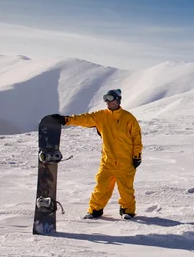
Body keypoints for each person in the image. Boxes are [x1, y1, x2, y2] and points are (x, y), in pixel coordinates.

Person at [51, 89, 142, 219]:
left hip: (125, 161)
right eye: (105, 99)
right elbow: (84, 119)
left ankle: (127, 211)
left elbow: (136, 138)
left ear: (117, 100)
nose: (108, 102)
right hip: (107, 161)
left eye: (110, 99)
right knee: (101, 186)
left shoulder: (128, 118)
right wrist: (66, 120)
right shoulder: (101, 116)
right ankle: (95, 210)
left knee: (126, 189)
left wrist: (137, 156)